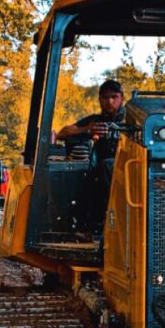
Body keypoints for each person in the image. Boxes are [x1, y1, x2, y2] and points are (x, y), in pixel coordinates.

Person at [54, 79, 126, 233]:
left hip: (128, 167)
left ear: (122, 98)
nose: (110, 102)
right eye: (105, 98)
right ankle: (90, 226)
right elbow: (63, 133)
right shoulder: (95, 121)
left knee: (107, 165)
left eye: (114, 97)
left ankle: (107, 220)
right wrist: (87, 130)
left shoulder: (132, 120)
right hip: (100, 173)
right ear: (100, 99)